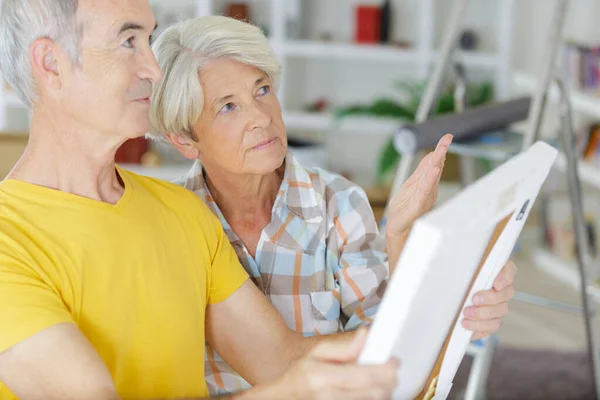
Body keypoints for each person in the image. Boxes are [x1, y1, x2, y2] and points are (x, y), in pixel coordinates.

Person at [0, 1, 399, 399]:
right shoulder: (9, 237)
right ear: (51, 63)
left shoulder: (184, 211)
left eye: (148, 39)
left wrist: (435, 302)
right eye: (128, 41)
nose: (153, 69)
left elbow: (281, 359)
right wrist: (292, 392)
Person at [148, 15, 517, 396]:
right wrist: (440, 314)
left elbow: (389, 356)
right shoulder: (168, 221)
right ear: (184, 138)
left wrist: (429, 276)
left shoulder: (339, 204)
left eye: (261, 90)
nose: (262, 118)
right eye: (228, 107)